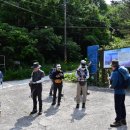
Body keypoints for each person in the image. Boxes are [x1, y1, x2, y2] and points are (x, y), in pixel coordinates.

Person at [110, 60, 127, 127]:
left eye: (111, 65)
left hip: (118, 92)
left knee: (117, 106)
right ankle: (123, 120)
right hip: (123, 91)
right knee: (122, 105)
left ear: (114, 66)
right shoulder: (121, 71)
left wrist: (111, 86)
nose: (111, 67)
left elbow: (114, 83)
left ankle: (118, 121)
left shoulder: (115, 73)